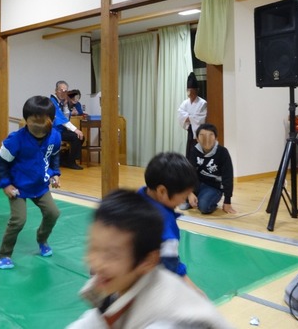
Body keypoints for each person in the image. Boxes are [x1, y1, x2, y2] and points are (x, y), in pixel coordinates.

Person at [66, 189, 234, 329]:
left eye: (112, 255)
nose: (97, 263)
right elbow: (96, 321)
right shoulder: (114, 286)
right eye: (94, 248)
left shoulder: (170, 320)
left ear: (148, 261)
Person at [0, 95, 62, 270]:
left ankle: (42, 239)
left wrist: (55, 173)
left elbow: (54, 155)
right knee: (18, 220)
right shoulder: (15, 140)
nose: (39, 126)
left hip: (40, 185)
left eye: (44, 122)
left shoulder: (55, 136)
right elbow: (1, 161)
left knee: (53, 213)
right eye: (34, 121)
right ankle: (4, 254)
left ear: (52, 120)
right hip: (18, 187)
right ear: (26, 120)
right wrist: (6, 184)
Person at [138, 152, 199, 289]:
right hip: (135, 283)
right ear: (162, 191)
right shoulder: (165, 226)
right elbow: (171, 266)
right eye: (183, 196)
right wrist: (195, 291)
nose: (184, 201)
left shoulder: (140, 195)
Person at [184, 123, 236, 215]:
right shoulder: (194, 150)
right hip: (198, 184)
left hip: (213, 186)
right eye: (202, 136)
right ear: (197, 139)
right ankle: (194, 198)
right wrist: (190, 192)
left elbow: (228, 177)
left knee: (204, 207)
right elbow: (189, 172)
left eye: (210, 136)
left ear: (216, 138)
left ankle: (199, 199)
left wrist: (227, 201)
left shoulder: (222, 152)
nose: (206, 139)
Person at [50, 80, 85, 170]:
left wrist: (65, 105)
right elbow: (61, 119)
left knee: (80, 136)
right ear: (56, 91)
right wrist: (75, 129)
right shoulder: (52, 102)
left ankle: (67, 159)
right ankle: (70, 161)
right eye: (61, 90)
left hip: (61, 130)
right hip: (53, 131)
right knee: (76, 136)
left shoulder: (61, 102)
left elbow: (66, 117)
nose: (63, 92)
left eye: (65, 91)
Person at [177, 72, 208, 159]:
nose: (190, 93)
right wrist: (191, 117)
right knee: (189, 153)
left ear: (197, 90)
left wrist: (188, 117)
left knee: (199, 154)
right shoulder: (185, 103)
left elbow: (201, 118)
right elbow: (180, 114)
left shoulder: (203, 103)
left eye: (192, 91)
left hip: (200, 133)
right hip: (190, 132)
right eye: (188, 91)